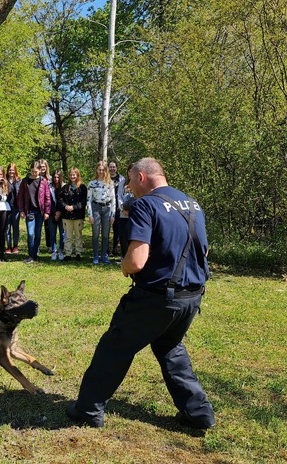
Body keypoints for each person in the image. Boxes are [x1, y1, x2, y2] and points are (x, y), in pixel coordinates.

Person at [67, 157, 215, 430]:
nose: (130, 188)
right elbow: (203, 251)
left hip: (157, 297)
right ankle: (199, 413)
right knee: (170, 348)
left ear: (141, 178)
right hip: (191, 297)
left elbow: (136, 261)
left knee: (114, 347)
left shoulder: (145, 205)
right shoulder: (193, 204)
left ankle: (88, 409)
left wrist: (124, 268)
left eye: (131, 180)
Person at [17, 160, 51, 263]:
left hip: (40, 212)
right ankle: (30, 255)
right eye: (32, 171)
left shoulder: (43, 181)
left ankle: (35, 254)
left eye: (36, 171)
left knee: (38, 233)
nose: (34, 173)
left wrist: (47, 212)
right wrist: (21, 210)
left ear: (40, 170)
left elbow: (47, 197)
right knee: (30, 234)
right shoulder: (25, 181)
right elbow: (20, 197)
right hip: (29, 211)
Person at [87, 161, 116, 264]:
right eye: (99, 169)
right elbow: (89, 200)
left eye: (103, 170)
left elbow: (113, 199)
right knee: (95, 233)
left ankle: (104, 255)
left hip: (107, 209)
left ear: (106, 171)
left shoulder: (110, 183)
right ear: (96, 170)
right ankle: (95, 256)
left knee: (105, 234)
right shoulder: (92, 183)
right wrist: (90, 214)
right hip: (96, 208)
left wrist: (113, 214)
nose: (101, 171)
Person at [58, 167, 87, 261]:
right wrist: (65, 206)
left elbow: (83, 202)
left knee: (78, 235)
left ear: (77, 175)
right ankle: (68, 253)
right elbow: (60, 199)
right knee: (68, 236)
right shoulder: (65, 187)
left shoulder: (82, 187)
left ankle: (78, 253)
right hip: (67, 216)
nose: (72, 176)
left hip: (78, 216)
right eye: (70, 175)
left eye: (74, 174)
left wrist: (74, 207)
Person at [117, 165, 136, 261]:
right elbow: (119, 196)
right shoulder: (122, 182)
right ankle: (124, 256)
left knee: (132, 236)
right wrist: (122, 209)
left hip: (134, 214)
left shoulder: (138, 182)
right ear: (127, 172)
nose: (131, 173)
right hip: (123, 214)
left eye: (133, 171)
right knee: (123, 235)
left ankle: (132, 257)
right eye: (129, 171)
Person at [48, 169, 66, 260]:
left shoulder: (65, 187)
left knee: (62, 233)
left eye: (58, 177)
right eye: (54, 177)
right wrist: (55, 212)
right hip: (52, 213)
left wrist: (60, 212)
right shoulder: (49, 187)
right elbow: (48, 201)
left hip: (62, 214)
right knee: (52, 233)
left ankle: (61, 250)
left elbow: (65, 201)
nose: (56, 178)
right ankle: (54, 251)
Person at [5, 162, 22, 254]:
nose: (11, 171)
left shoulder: (19, 181)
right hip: (6, 207)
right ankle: (8, 246)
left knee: (15, 227)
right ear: (7, 171)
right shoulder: (4, 180)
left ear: (15, 170)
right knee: (7, 227)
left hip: (16, 207)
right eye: (10, 169)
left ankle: (15, 246)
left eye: (13, 170)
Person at [109, 161, 124, 257]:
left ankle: (115, 249)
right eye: (110, 167)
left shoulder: (121, 179)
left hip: (118, 206)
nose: (112, 169)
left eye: (114, 167)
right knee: (106, 229)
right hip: (107, 205)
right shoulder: (105, 177)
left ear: (117, 168)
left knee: (117, 229)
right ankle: (106, 250)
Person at [38, 158, 52, 253]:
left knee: (48, 227)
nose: (42, 168)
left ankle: (49, 246)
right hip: (38, 207)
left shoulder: (50, 179)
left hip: (48, 206)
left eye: (44, 166)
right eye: (41, 166)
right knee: (37, 228)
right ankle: (36, 246)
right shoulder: (35, 178)